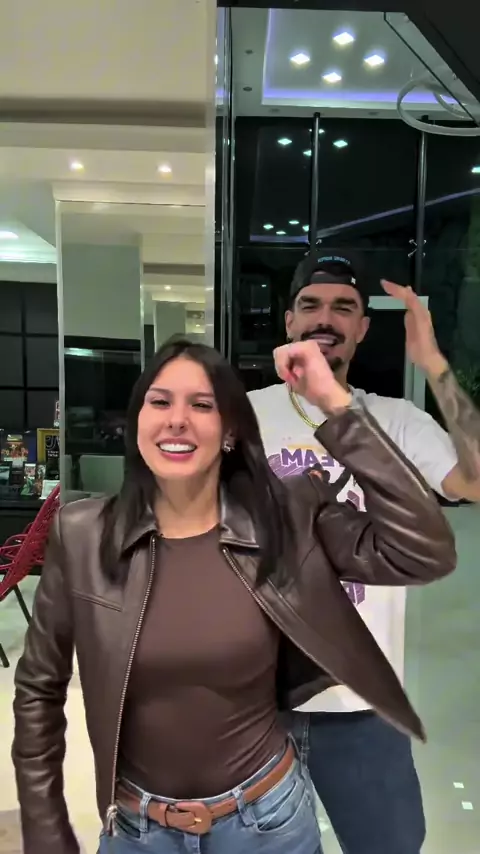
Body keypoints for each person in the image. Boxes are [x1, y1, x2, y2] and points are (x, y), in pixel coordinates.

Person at [12, 336, 455, 854]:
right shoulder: (83, 533)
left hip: (266, 825)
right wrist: (46, 831)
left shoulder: (285, 516)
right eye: (160, 401)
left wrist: (337, 406)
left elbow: (423, 551)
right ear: (137, 422)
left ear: (229, 432)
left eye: (202, 405)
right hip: (136, 831)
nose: (177, 420)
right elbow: (39, 688)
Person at [249, 251, 480, 854]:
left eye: (343, 307)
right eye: (310, 305)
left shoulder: (395, 420)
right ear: (289, 321)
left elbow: (476, 480)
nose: (325, 318)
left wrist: (434, 366)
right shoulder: (241, 415)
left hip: (364, 703)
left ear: (363, 327)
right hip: (254, 702)